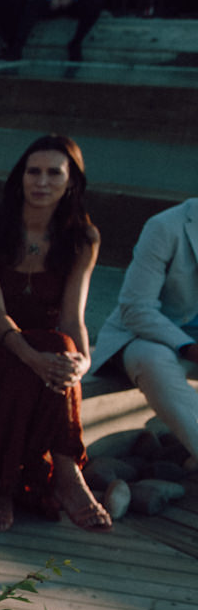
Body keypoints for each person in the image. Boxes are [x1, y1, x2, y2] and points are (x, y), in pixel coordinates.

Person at [0, 135, 109, 532]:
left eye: (54, 173)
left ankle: (7, 488)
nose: (42, 181)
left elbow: (72, 317)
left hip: (41, 349)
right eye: (33, 172)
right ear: (20, 178)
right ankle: (63, 475)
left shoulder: (84, 239)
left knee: (59, 352)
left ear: (71, 182)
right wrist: (35, 358)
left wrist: (83, 363)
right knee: (35, 364)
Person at [91, 198, 198, 473]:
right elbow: (136, 308)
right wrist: (188, 347)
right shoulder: (165, 226)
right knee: (151, 359)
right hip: (149, 336)